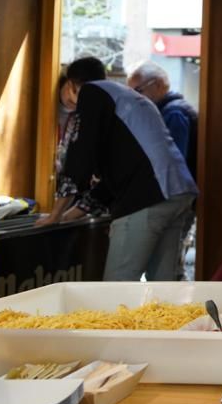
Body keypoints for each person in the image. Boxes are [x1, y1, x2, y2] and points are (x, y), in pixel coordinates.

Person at [60, 56, 197, 281]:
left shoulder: (92, 92)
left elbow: (80, 155)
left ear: (72, 85)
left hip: (147, 197)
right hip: (178, 194)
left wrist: (57, 212)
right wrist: (72, 213)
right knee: (163, 286)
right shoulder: (129, 98)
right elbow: (124, 167)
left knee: (118, 285)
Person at [126, 61, 199, 280]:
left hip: (172, 196)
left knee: (169, 267)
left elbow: (173, 161)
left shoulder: (173, 113)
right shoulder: (172, 109)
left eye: (137, 91)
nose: (135, 98)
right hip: (178, 196)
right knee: (167, 266)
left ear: (157, 85)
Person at [39, 65, 109, 225]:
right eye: (75, 92)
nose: (76, 100)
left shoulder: (89, 114)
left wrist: (58, 216)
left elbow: (79, 164)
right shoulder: (45, 103)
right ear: (68, 84)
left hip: (72, 187)